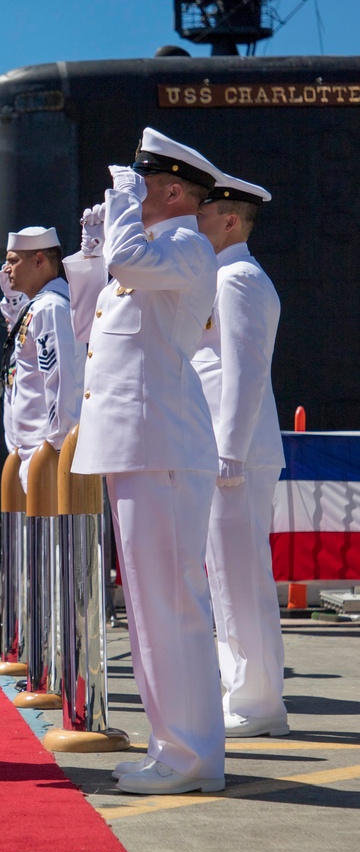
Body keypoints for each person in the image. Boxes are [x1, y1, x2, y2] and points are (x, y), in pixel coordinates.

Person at [70, 127, 226, 796]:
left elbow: (128, 265)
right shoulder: (151, 252)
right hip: (139, 446)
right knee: (150, 607)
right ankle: (175, 748)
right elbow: (87, 332)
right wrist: (89, 254)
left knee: (170, 605)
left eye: (139, 184)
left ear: (167, 189)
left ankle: (189, 756)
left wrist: (121, 206)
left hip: (160, 445)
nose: (124, 197)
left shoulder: (185, 246)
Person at [194, 174, 287, 738]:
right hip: (223, 451)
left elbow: (245, 371)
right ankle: (246, 692)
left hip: (238, 455)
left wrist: (228, 451)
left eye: (204, 214)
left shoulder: (238, 279)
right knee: (226, 577)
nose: (194, 223)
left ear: (230, 220)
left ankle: (255, 701)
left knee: (239, 577)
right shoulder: (221, 277)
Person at [0, 225, 86, 487]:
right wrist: (12, 301)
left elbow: (61, 381)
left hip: (47, 458)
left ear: (39, 261)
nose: (6, 269)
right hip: (30, 456)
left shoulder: (51, 308)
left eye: (13, 261)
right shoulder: (38, 306)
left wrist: (58, 449)